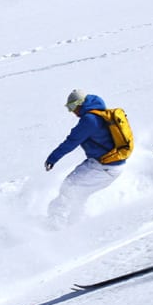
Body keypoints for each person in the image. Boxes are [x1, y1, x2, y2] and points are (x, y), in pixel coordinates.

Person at [44, 89, 126, 224]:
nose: (71, 111)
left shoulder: (90, 120)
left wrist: (53, 158)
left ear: (79, 104)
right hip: (110, 165)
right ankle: (76, 223)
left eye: (71, 107)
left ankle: (55, 223)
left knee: (69, 186)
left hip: (104, 166)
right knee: (79, 193)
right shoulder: (98, 114)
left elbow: (72, 141)